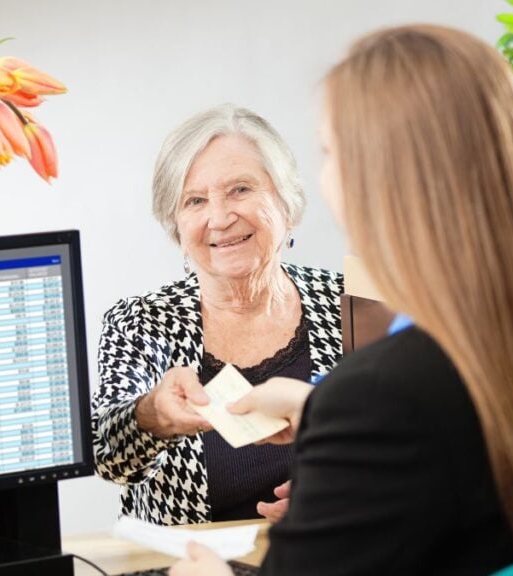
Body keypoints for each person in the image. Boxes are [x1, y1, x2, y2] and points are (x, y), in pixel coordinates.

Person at [170, 24, 513, 575]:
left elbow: (411, 411)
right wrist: (321, 411)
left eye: (329, 151)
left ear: (381, 179)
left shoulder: (380, 392)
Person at [92, 104, 344, 525]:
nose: (220, 217)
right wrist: (153, 415)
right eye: (194, 200)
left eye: (240, 190)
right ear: (176, 225)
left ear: (286, 201)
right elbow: (107, 458)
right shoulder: (140, 321)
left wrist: (344, 497)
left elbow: (410, 443)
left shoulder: (350, 301)